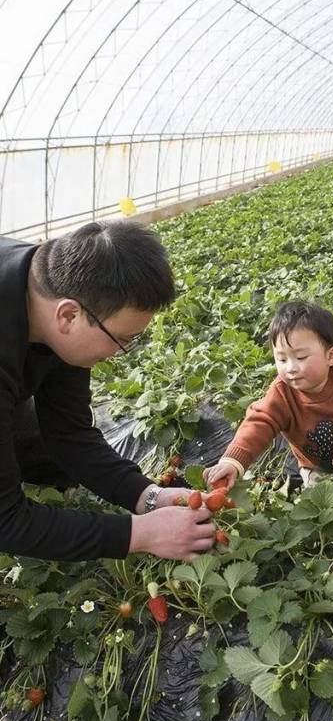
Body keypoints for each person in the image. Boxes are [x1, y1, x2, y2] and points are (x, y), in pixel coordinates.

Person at [0, 221, 215, 563]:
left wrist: (149, 497)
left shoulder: (53, 286)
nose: (120, 352)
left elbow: (70, 434)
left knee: (43, 450)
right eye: (122, 340)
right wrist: (140, 534)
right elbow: (5, 521)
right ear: (68, 315)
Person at [203, 300, 333, 488]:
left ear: (331, 356)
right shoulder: (282, 394)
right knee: (326, 507)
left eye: (301, 357)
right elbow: (259, 423)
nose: (291, 368)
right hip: (317, 467)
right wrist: (232, 461)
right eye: (282, 359)